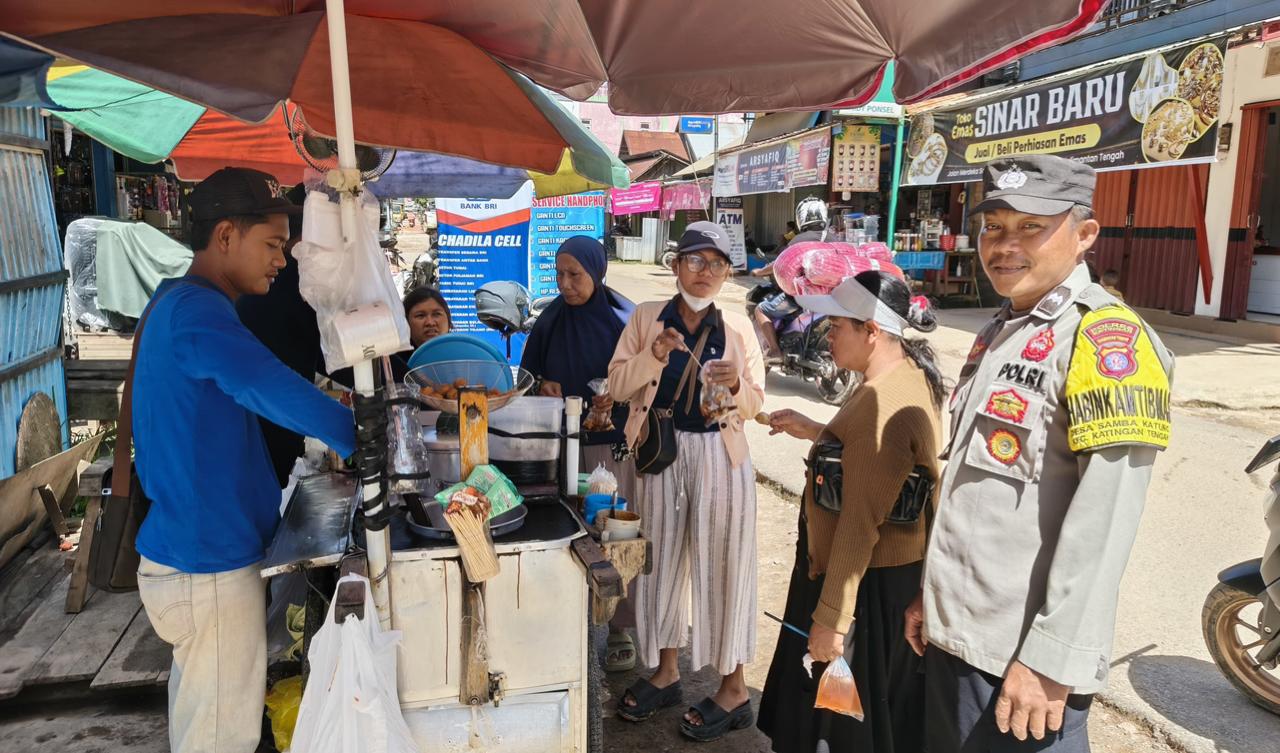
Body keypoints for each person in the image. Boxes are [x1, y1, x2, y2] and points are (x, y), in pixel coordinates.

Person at [905, 155, 1173, 752]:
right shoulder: (1003, 328)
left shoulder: (1106, 339)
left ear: (1084, 235)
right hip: (961, 638)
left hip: (1023, 663)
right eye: (994, 227)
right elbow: (976, 496)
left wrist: (1054, 660)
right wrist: (935, 595)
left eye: (1031, 227)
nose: (1005, 246)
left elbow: (1103, 521)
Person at [132, 168, 357, 753]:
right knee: (218, 739)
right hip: (207, 563)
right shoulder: (196, 312)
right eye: (274, 245)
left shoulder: (179, 303)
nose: (282, 261)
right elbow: (263, 383)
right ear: (226, 235)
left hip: (194, 551)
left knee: (207, 723)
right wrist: (357, 434)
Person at [757, 269, 944, 753]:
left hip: (864, 585)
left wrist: (832, 621)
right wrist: (820, 430)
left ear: (873, 331)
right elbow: (873, 466)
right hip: (869, 577)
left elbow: (860, 522)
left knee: (848, 723)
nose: (826, 335)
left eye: (837, 325)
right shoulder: (897, 377)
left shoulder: (885, 404)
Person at [609, 221, 766, 741]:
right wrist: (653, 355)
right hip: (660, 452)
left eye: (716, 263)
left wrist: (738, 384)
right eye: (695, 260)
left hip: (722, 457)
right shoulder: (647, 317)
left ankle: (734, 686)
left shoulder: (737, 325)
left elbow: (755, 405)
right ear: (675, 265)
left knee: (724, 564)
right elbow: (615, 384)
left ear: (727, 271)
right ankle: (667, 669)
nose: (705, 272)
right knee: (660, 561)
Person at [520, 235, 638, 670]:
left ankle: (621, 627)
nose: (566, 284)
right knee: (565, 530)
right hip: (560, 443)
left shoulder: (624, 319)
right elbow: (527, 377)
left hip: (611, 445)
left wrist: (617, 400)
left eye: (575, 275)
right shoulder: (551, 318)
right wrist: (543, 384)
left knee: (614, 530)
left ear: (597, 272)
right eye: (559, 274)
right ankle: (567, 618)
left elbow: (646, 381)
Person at [754, 198, 831, 360]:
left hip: (799, 299)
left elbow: (779, 264)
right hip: (831, 299)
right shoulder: (834, 239)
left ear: (801, 218)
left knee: (760, 310)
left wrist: (759, 272)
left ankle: (775, 350)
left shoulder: (798, 241)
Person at [404, 285, 452, 349]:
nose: (430, 323)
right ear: (406, 322)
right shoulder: (392, 358)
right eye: (420, 315)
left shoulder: (464, 354)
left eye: (436, 314)